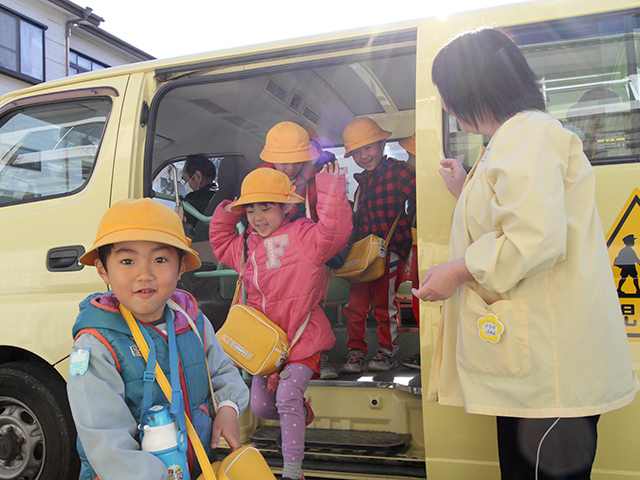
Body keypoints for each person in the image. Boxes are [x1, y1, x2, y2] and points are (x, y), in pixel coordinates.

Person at [414, 27, 640, 480]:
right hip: (537, 373)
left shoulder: (525, 136)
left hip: (547, 373)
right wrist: (466, 190)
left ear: (472, 87)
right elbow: (517, 218)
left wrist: (456, 271)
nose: (444, 104)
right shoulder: (514, 138)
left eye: (446, 92)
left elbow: (533, 238)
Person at [67, 198, 250, 480]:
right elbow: (106, 440)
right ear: (103, 269)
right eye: (127, 261)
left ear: (180, 268)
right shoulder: (96, 347)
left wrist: (227, 408)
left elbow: (223, 370)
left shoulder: (192, 321)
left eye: (160, 259)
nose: (145, 274)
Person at [209, 163, 351, 480]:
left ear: (286, 206)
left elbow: (335, 232)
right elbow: (219, 239)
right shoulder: (244, 247)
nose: (258, 217)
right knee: (260, 407)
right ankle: (300, 415)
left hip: (303, 340)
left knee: (286, 397)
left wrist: (329, 187)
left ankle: (292, 471)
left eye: (266, 207)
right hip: (265, 348)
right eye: (250, 210)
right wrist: (230, 208)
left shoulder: (304, 235)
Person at [340, 117, 416, 373]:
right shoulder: (361, 184)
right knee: (355, 307)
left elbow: (421, 186)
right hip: (363, 253)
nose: (363, 156)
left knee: (386, 304)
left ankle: (387, 351)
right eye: (357, 152)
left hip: (390, 248)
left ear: (383, 144)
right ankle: (356, 351)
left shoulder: (398, 171)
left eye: (368, 148)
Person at [259, 121, 320, 222]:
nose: (291, 168)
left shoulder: (316, 181)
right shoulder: (258, 181)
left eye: (297, 162)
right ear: (272, 160)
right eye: (284, 163)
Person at [397, 134, 421, 370]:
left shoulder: (410, 177)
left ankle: (427, 351)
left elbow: (403, 183)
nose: (407, 161)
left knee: (419, 293)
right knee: (416, 293)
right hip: (418, 238)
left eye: (412, 156)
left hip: (421, 240)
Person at [181, 154, 218, 229]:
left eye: (185, 179)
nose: (186, 184)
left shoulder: (191, 200)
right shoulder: (219, 195)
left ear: (198, 176)